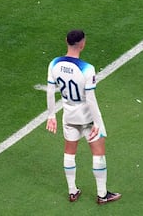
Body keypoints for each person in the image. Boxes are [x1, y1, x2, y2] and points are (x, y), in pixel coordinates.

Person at [45, 29, 121, 204]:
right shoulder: (87, 69)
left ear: (66, 41)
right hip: (87, 117)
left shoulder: (54, 63)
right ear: (82, 44)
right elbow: (91, 98)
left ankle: (72, 191)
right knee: (98, 154)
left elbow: (50, 91)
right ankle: (102, 195)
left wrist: (51, 116)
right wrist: (97, 122)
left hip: (69, 115)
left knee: (69, 152)